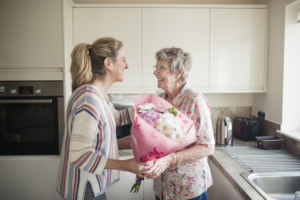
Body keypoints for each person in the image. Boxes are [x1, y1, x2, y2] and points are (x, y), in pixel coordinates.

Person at [56, 37, 151, 200]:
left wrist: (146, 106)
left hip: (89, 184)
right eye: (123, 60)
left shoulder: (97, 95)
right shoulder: (89, 100)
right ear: (108, 63)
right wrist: (126, 165)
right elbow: (79, 154)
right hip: (84, 187)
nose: (126, 65)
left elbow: (114, 118)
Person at [147, 47, 215, 200]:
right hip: (162, 187)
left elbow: (207, 147)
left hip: (188, 189)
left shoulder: (195, 100)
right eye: (155, 67)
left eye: (160, 68)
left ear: (178, 73)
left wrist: (171, 158)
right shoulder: (159, 100)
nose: (155, 72)